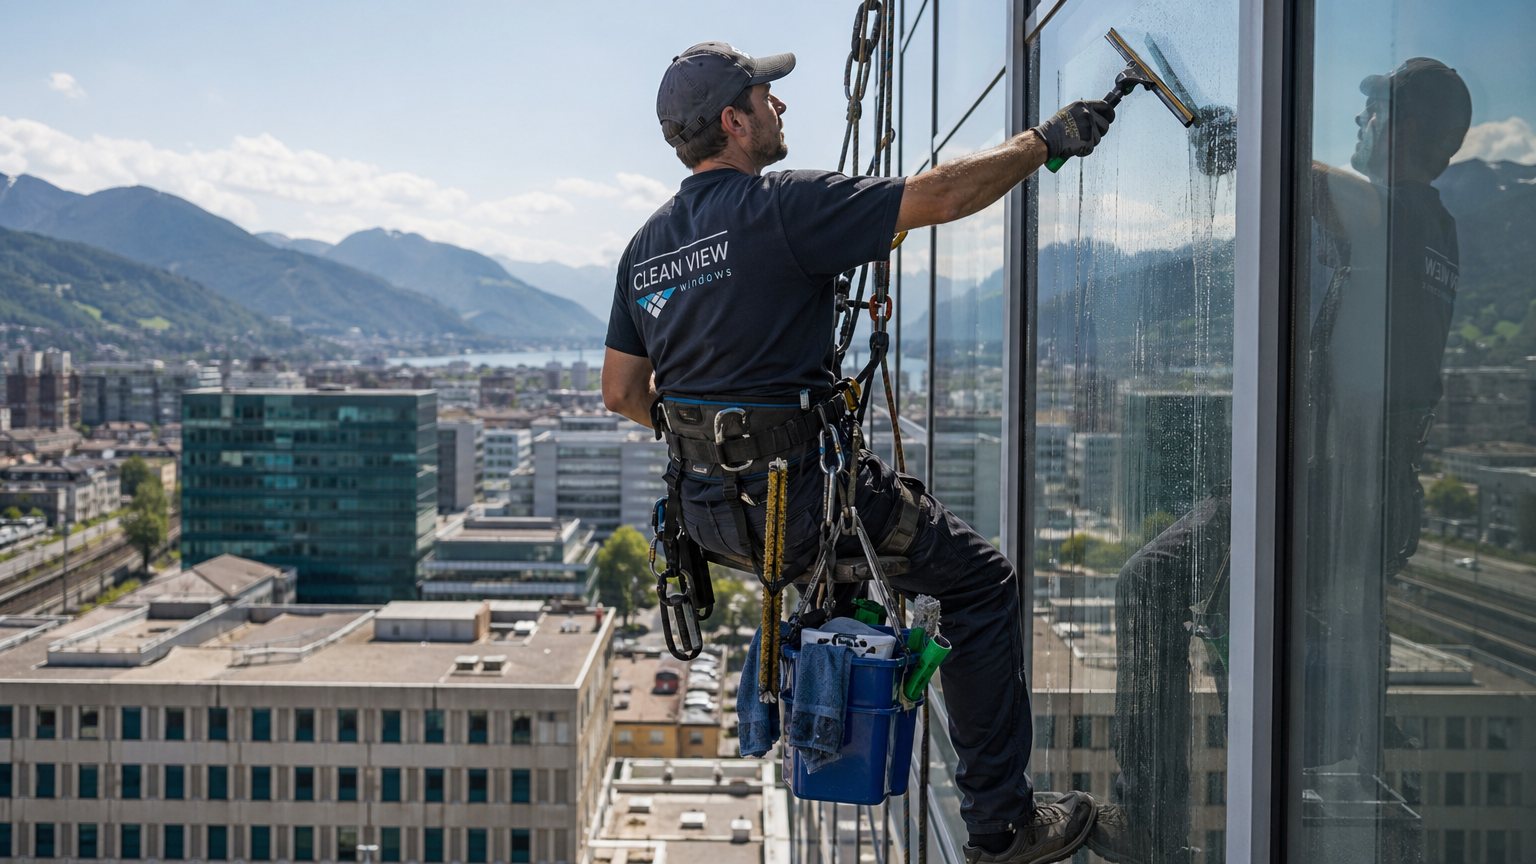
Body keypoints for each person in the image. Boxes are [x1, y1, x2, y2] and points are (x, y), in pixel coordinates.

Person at [602, 42, 1115, 864]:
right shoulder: (782, 207)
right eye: (766, 98)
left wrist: (718, 433)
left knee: (852, 575)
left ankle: (836, 680)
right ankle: (1002, 827)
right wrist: (1044, 141)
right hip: (797, 501)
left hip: (712, 518)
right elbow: (941, 196)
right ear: (733, 121)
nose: (780, 109)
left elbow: (624, 394)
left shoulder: (646, 248)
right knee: (981, 586)